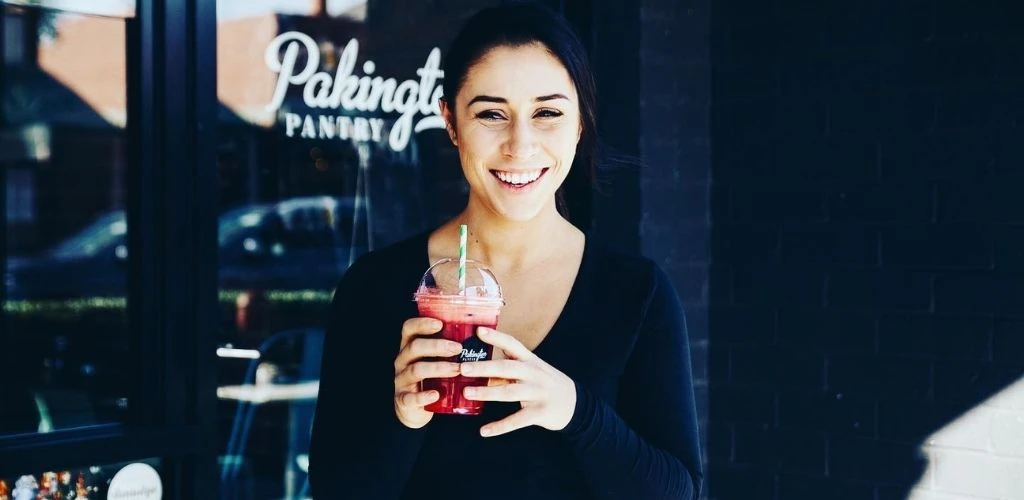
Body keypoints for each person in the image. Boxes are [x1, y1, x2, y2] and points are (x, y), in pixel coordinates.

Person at [308, 2, 703, 498]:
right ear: (450, 122)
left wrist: (576, 413)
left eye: (548, 113)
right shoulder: (375, 288)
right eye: (492, 113)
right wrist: (404, 417)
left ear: (580, 124)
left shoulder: (637, 293)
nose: (520, 145)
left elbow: (680, 491)